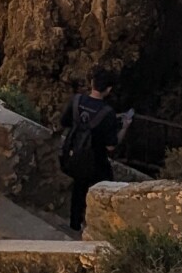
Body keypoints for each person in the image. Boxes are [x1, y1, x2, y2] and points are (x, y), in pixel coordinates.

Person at [57, 67, 133, 237]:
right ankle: (102, 230)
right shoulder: (108, 113)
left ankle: (74, 226)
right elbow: (111, 146)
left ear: (92, 83)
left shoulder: (76, 100)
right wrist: (125, 127)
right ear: (108, 89)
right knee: (108, 190)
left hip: (74, 155)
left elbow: (64, 122)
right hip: (96, 161)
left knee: (78, 188)